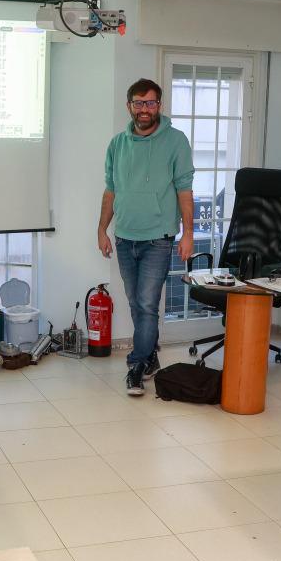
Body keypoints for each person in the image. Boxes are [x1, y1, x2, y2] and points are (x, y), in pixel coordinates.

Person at [97, 78, 195, 396]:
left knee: (148, 306)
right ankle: (150, 358)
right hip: (125, 237)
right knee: (136, 305)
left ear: (159, 106)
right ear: (129, 106)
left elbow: (185, 191)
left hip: (159, 238)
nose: (144, 109)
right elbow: (110, 190)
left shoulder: (176, 141)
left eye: (150, 103)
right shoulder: (117, 144)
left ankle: (136, 367)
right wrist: (102, 229)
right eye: (138, 103)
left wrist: (189, 233)